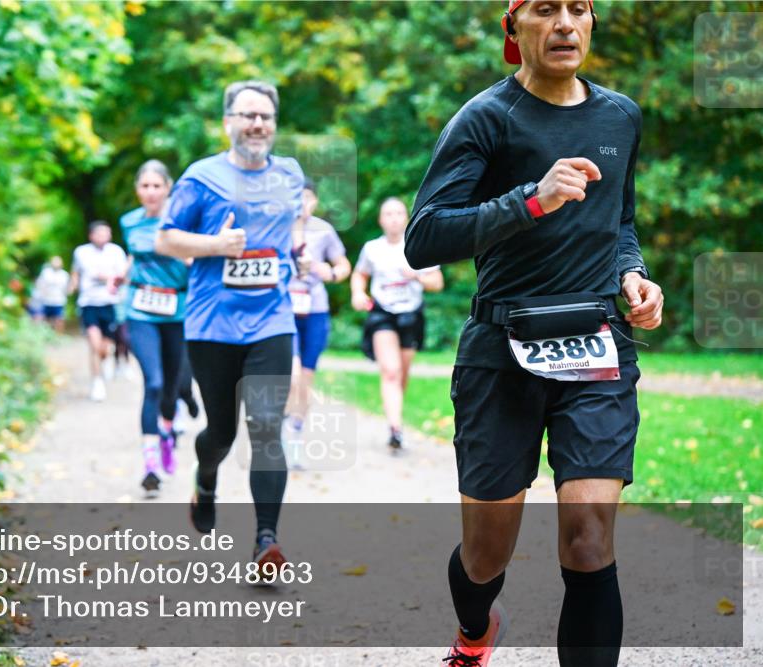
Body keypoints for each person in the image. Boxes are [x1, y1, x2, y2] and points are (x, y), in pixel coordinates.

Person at [403, 2, 664, 665]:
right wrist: (529, 200)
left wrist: (633, 274)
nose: (566, 23)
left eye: (579, 7)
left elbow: (620, 221)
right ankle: (475, 628)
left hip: (596, 346)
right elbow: (423, 238)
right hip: (501, 352)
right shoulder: (487, 118)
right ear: (514, 28)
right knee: (487, 552)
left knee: (587, 536)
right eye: (546, 9)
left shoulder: (620, 116)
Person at [156, 80, 304, 573]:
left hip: (272, 320)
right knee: (220, 431)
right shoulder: (202, 177)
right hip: (212, 324)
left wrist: (298, 255)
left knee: (266, 429)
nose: (257, 123)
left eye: (265, 116)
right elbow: (166, 240)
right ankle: (206, 475)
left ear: (274, 125)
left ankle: (267, 540)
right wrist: (215, 247)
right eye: (247, 115)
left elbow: (292, 226)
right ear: (228, 122)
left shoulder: (289, 174)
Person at [351, 197, 443, 451]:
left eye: (398, 213)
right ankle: (395, 428)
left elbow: (437, 283)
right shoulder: (372, 249)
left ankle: (395, 417)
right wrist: (358, 293)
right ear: (381, 220)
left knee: (401, 373)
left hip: (411, 316)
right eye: (388, 214)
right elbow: (360, 274)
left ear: (406, 218)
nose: (393, 218)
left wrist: (417, 277)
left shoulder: (418, 247)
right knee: (390, 371)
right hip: (382, 314)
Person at [120, 159, 190, 495]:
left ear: (168, 188)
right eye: (144, 186)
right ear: (137, 190)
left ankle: (167, 432)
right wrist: (124, 272)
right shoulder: (129, 222)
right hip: (141, 310)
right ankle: (150, 465)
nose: (150, 192)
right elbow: (135, 255)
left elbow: (196, 259)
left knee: (172, 388)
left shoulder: (181, 222)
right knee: (154, 382)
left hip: (176, 311)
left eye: (156, 186)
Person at [281, 177, 352, 468]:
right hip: (284, 309)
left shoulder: (324, 231)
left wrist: (329, 273)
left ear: (315, 202)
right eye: (297, 198)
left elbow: (344, 266)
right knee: (293, 375)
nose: (302, 204)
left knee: (306, 380)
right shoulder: (278, 229)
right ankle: (284, 428)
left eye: (307, 198)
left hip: (315, 310)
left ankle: (294, 432)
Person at [69, 221, 128, 402]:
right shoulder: (81, 252)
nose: (103, 236)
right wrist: (72, 287)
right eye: (99, 233)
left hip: (109, 303)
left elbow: (123, 275)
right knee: (94, 344)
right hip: (88, 303)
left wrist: (109, 279)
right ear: (91, 235)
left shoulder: (116, 252)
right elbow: (76, 273)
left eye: (106, 233)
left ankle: (107, 359)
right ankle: (97, 382)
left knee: (105, 348)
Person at [32, 256, 70, 332]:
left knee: (59, 319)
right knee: (45, 319)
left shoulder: (64, 275)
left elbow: (67, 288)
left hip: (59, 301)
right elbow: (40, 284)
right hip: (46, 300)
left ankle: (58, 336)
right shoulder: (46, 272)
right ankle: (47, 335)